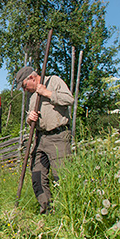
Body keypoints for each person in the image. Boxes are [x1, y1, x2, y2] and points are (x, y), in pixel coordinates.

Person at [15, 66, 74, 214]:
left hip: (58, 137)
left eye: (24, 85)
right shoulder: (31, 95)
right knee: (37, 175)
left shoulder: (53, 81)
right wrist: (30, 118)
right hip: (40, 138)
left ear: (32, 78)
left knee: (62, 175)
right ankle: (47, 210)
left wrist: (47, 93)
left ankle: (66, 211)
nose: (24, 90)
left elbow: (69, 99)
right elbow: (30, 115)